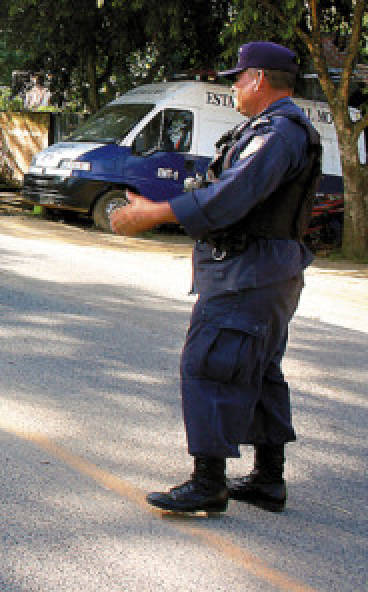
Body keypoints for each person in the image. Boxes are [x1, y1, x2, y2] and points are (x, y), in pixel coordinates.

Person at [110, 41, 322, 515]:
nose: (234, 86)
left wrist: (154, 215)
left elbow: (232, 197)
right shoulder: (270, 130)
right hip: (263, 270)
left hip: (249, 273)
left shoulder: (280, 133)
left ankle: (208, 482)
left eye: (239, 77)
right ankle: (268, 480)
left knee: (210, 365)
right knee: (259, 371)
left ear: (260, 79)